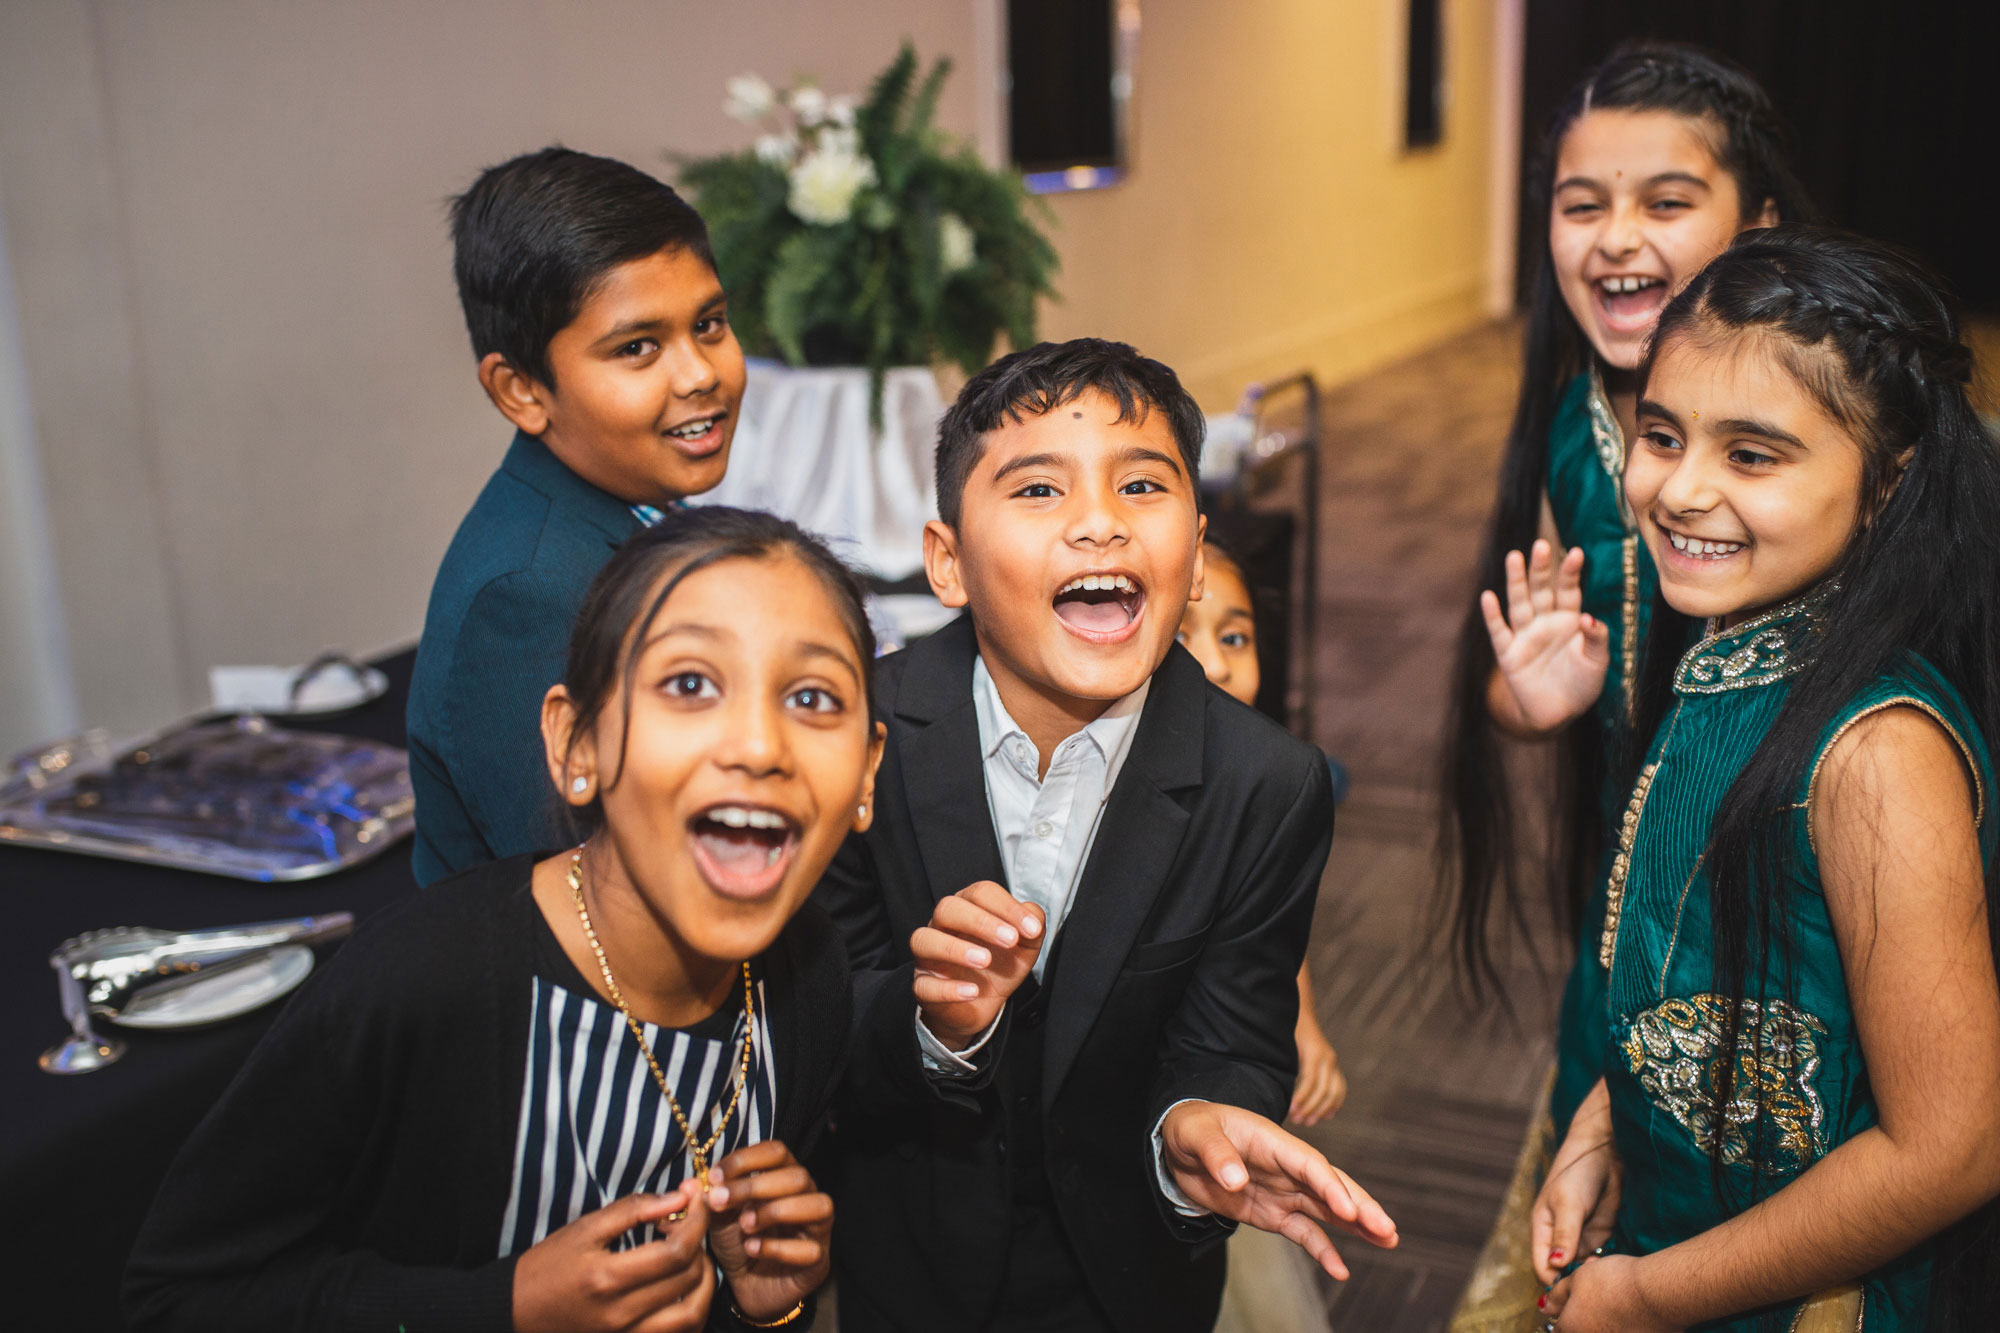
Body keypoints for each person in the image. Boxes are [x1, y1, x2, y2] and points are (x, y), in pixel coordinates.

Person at [125, 508, 882, 1332]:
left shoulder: (810, 984)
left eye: (812, 696)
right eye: (690, 683)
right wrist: (502, 1308)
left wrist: (765, 1303)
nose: (760, 744)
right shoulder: (421, 983)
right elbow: (175, 1301)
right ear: (576, 745)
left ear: (868, 772)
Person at [812, 338, 1398, 1333]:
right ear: (947, 563)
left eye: (1141, 486)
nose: (1096, 522)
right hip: (908, 1271)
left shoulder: (1266, 783)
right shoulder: (859, 734)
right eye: (1037, 490)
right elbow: (817, 1013)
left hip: (1127, 1287)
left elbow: (1233, 1036)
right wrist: (935, 1024)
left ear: (1199, 550)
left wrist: (1196, 1123)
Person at [1525, 226, 2000, 1330]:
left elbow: (1953, 1145)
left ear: (1884, 488)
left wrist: (1645, 1297)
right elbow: (1697, 979)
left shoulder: (1873, 756)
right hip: (1686, 1229)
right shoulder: (1728, 653)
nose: (1679, 490)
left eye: (1750, 455)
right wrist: (1605, 1122)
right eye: (1659, 434)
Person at [1440, 46, 1816, 1331]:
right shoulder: (1568, 429)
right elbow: (1538, 687)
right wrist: (1521, 705)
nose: (1613, 238)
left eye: (1664, 201)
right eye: (1577, 200)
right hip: (1627, 907)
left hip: (1793, 922)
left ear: (1754, 222)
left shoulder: (1832, 446)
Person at [408, 145, 747, 886]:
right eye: (638, 347)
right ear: (521, 390)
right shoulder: (529, 596)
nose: (700, 374)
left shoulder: (631, 499)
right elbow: (591, 896)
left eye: (711, 323)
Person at [1177, 537, 1341, 1333]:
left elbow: (1277, 930)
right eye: (1185, 638)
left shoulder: (1265, 783)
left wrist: (1304, 1020)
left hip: (1222, 1064)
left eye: (1234, 637)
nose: (1216, 665)